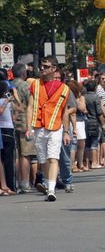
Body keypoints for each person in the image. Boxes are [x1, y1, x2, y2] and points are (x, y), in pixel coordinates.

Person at [25, 56, 74, 201]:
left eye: (46, 66)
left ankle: (51, 190)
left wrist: (66, 131)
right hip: (39, 127)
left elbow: (64, 111)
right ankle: (48, 184)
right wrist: (28, 126)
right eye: (42, 66)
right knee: (43, 160)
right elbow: (30, 107)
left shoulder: (64, 89)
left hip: (55, 127)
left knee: (53, 158)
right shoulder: (35, 85)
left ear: (54, 69)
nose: (42, 69)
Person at [11, 63, 37, 193]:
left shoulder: (9, 85)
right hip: (24, 123)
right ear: (23, 73)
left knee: (15, 154)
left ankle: (15, 181)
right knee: (25, 154)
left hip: (11, 123)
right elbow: (32, 104)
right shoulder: (25, 86)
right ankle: (25, 182)